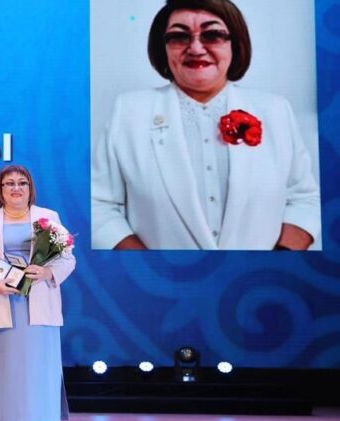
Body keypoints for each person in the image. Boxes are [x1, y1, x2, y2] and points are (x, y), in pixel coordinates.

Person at [91, 0, 321, 250]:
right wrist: (146, 264)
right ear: (162, 47)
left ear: (236, 44)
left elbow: (305, 199)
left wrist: (278, 261)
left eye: (212, 35)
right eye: (179, 36)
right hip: (160, 274)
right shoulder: (129, 112)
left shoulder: (275, 111)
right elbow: (99, 205)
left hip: (264, 275)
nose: (196, 48)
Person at [0, 165, 75, 421]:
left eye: (22, 183)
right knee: (9, 377)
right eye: (9, 183)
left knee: (36, 375)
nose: (16, 188)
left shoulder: (48, 217)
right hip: (4, 306)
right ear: (0, 190)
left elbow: (67, 259)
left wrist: (48, 272)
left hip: (38, 307)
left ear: (30, 188)